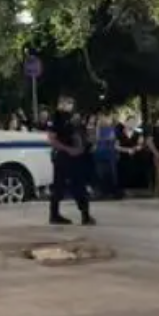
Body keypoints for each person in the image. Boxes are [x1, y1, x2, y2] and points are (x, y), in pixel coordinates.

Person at [47, 95, 95, 226]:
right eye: (68, 103)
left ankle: (84, 215)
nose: (70, 106)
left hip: (75, 155)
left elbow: (79, 134)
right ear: (61, 104)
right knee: (61, 186)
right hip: (63, 155)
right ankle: (55, 215)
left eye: (71, 104)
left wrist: (84, 145)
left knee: (77, 185)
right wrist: (68, 150)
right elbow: (52, 139)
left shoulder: (72, 118)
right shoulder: (56, 117)